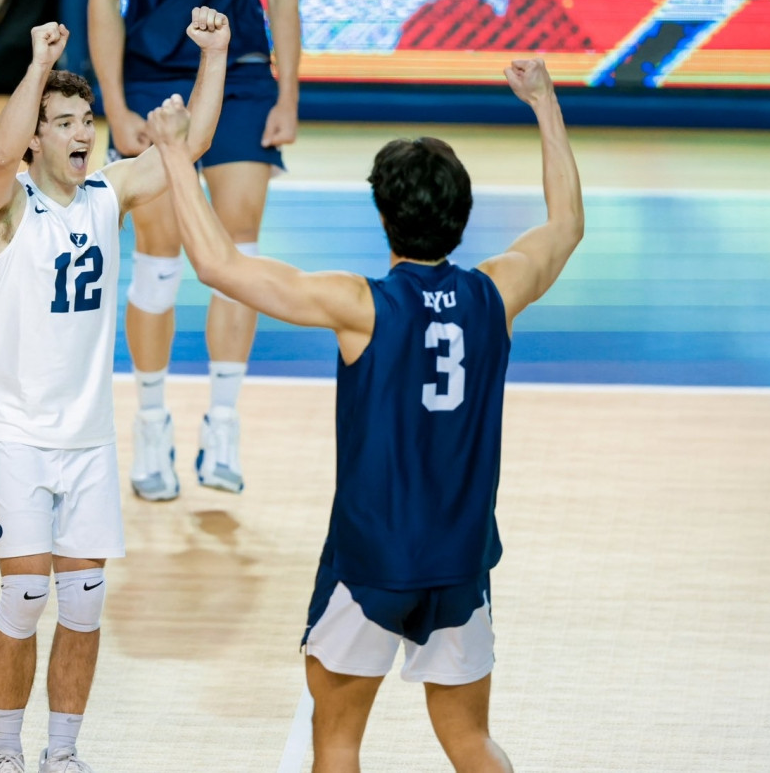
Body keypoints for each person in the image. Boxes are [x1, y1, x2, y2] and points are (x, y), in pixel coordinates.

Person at [144, 59, 583, 772]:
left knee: (339, 742)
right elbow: (566, 224)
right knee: (470, 740)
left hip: (372, 562)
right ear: (462, 212)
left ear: (383, 213)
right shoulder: (495, 293)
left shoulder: (361, 307)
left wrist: (171, 153)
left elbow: (220, 266)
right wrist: (544, 103)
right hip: (459, 561)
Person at [0, 11, 228, 773]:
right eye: (64, 123)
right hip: (12, 431)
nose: (82, 134)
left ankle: (63, 754)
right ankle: (6, 751)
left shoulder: (107, 194)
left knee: (82, 598)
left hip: (86, 438)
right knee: (24, 598)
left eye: (88, 122)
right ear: (36, 138)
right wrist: (36, 64)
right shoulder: (4, 206)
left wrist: (213, 56)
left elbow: (193, 146)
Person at [88, 0, 300, 500]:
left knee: (238, 252)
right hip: (150, 74)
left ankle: (223, 423)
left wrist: (289, 94)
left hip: (240, 70)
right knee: (158, 257)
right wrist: (113, 104)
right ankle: (151, 422)